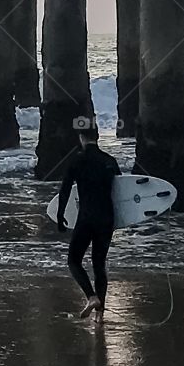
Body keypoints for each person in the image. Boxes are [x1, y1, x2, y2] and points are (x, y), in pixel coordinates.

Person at [57, 120, 121, 319]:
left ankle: (91, 297)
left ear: (81, 138)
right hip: (107, 218)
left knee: (74, 260)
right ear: (98, 137)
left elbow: (65, 190)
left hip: (86, 218)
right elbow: (123, 192)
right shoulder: (110, 161)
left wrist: (60, 216)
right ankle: (100, 316)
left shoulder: (77, 161)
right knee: (99, 264)